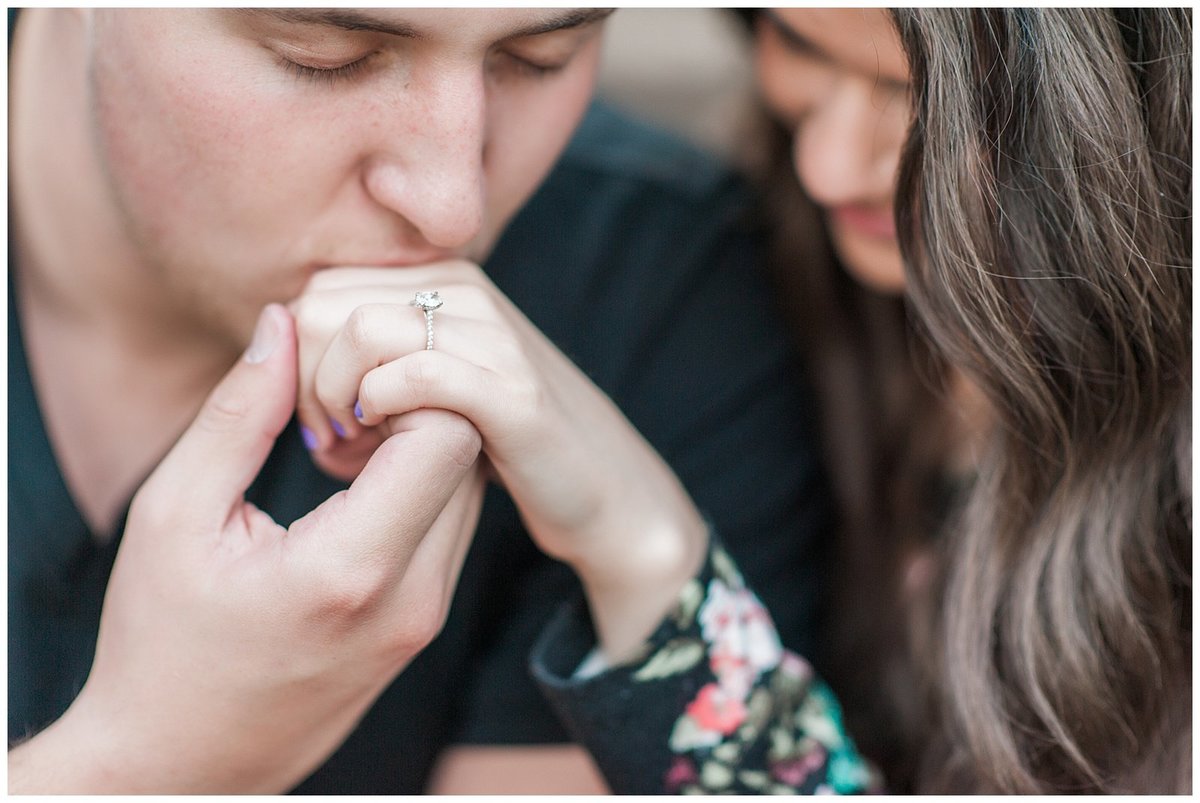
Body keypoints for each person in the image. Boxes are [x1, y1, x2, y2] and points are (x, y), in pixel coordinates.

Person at [7, 9, 837, 793]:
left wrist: (649, 551)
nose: (453, 208)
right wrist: (138, 764)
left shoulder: (651, 283)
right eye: (322, 56)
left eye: (540, 57)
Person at [506, 7, 1190, 795]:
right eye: (798, 45)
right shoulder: (757, 272)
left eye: (914, 91)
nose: (827, 165)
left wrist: (647, 554)